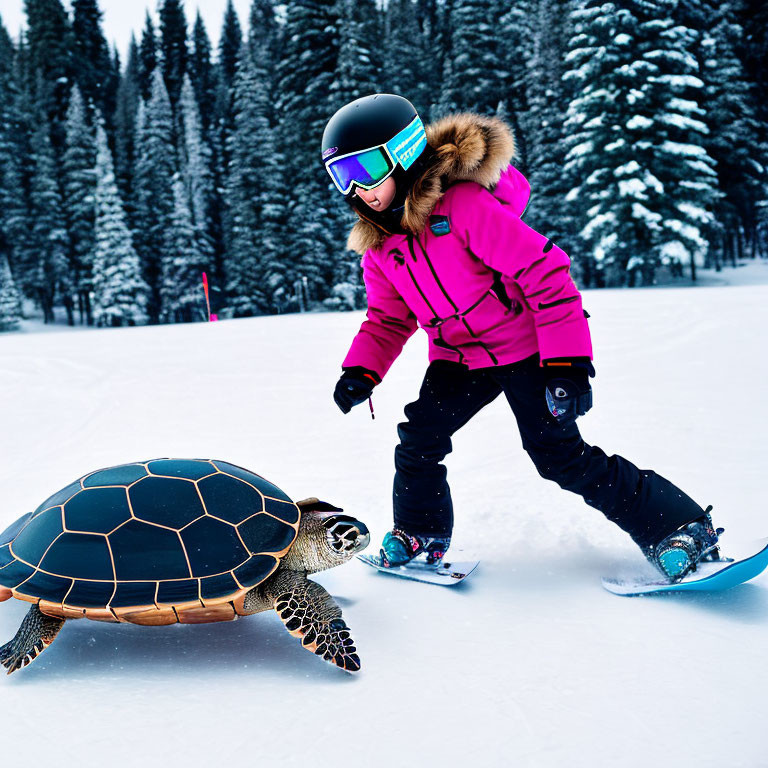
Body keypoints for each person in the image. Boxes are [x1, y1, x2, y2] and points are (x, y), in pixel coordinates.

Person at [323, 93, 720, 582]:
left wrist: (566, 363)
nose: (359, 189)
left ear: (402, 153)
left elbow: (545, 273)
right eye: (343, 177)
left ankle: (681, 527)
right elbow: (387, 318)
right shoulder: (381, 247)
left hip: (525, 346)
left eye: (365, 169)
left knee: (560, 457)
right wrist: (360, 370)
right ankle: (420, 533)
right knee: (419, 440)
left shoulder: (465, 207)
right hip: (458, 360)